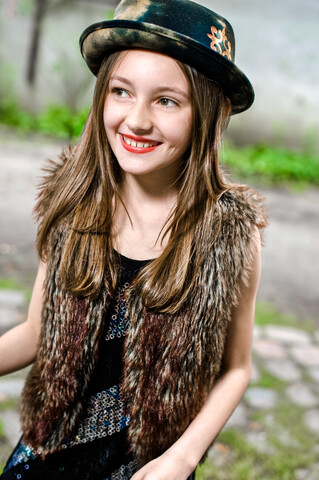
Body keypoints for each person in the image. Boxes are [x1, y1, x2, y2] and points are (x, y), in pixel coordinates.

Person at [0, 0, 267, 479]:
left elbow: (236, 368)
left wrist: (182, 458)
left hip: (146, 467)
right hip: (46, 455)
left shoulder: (231, 235)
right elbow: (37, 331)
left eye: (166, 100)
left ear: (207, 114)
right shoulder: (72, 203)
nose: (137, 120)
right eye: (121, 92)